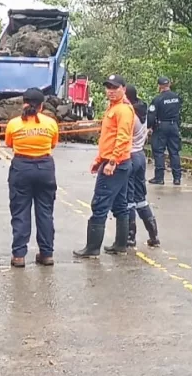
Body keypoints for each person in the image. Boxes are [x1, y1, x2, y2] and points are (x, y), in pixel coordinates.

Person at [74, 75, 134, 258]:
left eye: (114, 87)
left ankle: (92, 248)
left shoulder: (123, 110)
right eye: (108, 87)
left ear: (123, 88)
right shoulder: (113, 108)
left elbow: (122, 138)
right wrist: (99, 159)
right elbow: (107, 138)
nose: (110, 91)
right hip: (116, 161)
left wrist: (111, 162)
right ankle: (121, 245)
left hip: (116, 164)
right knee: (120, 204)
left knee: (99, 204)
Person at [4, 88, 59, 268]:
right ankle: (47, 253)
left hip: (21, 168)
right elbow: (53, 144)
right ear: (42, 106)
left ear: (24, 103)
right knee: (45, 212)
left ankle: (19, 255)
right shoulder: (51, 123)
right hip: (45, 168)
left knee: (20, 211)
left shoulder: (13, 124)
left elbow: (9, 143)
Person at [125, 85, 160, 248]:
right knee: (140, 198)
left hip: (130, 155)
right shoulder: (143, 112)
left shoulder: (130, 114)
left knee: (128, 198)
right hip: (140, 154)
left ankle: (130, 236)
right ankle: (154, 236)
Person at [147, 76, 183, 185]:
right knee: (174, 152)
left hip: (161, 127)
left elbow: (151, 116)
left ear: (159, 86)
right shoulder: (177, 97)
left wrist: (149, 127)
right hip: (174, 126)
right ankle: (177, 178)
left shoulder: (157, 99)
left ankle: (159, 178)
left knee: (159, 152)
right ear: (169, 85)